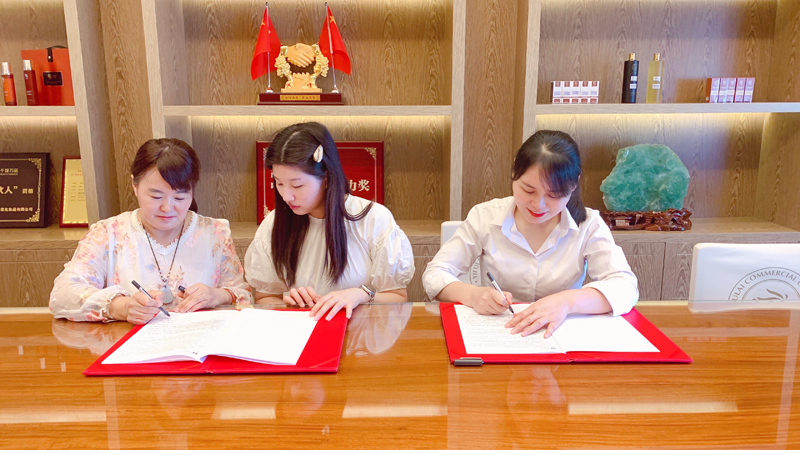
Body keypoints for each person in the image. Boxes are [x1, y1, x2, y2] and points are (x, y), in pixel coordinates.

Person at [423, 130, 638, 337]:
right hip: (500, 331)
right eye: (528, 190)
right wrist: (472, 295)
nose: (538, 204)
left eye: (554, 195)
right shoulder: (485, 216)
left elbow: (625, 286)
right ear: (514, 173)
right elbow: (435, 274)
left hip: (560, 336)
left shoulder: (589, 224)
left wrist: (567, 302)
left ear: (573, 185)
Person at [50, 138, 252, 324]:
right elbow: (62, 296)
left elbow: (245, 296)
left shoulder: (214, 234)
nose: (167, 208)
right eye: (156, 197)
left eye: (180, 197)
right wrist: (122, 307)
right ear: (135, 186)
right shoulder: (108, 234)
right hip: (128, 345)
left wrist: (218, 295)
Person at [245, 122, 414, 320]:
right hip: (301, 332)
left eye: (297, 185)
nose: (286, 196)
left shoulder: (373, 219)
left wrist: (361, 295)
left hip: (358, 334)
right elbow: (264, 297)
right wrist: (287, 303)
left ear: (326, 176)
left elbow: (398, 297)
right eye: (279, 183)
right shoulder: (274, 224)